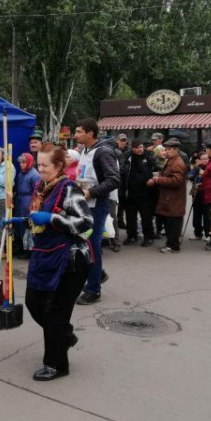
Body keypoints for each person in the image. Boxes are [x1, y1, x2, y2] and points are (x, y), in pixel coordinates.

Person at [6, 143, 93, 381]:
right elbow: (38, 220)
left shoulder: (69, 189)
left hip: (71, 259)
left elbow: (86, 222)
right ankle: (63, 336)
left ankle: (56, 364)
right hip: (44, 253)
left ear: (58, 166)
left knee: (55, 312)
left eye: (45, 165)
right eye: (39, 163)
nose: (40, 168)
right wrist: (22, 221)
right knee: (34, 303)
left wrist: (54, 218)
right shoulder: (40, 187)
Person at [73, 118, 120, 305]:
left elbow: (114, 180)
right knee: (85, 243)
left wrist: (91, 192)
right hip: (85, 205)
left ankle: (93, 290)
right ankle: (98, 274)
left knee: (92, 246)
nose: (75, 135)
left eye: (78, 131)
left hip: (97, 205)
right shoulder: (85, 150)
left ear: (90, 133)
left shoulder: (103, 152)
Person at [147, 138, 187, 253]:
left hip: (174, 199)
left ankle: (173, 246)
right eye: (165, 149)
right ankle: (171, 244)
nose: (166, 152)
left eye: (168, 150)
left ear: (175, 150)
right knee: (169, 223)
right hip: (169, 198)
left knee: (173, 224)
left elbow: (176, 181)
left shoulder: (178, 163)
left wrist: (159, 179)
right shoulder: (171, 160)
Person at [120, 140, 156, 247]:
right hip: (130, 192)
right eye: (136, 147)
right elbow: (121, 170)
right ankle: (131, 236)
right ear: (131, 148)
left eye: (140, 146)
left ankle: (148, 237)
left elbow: (157, 169)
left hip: (146, 192)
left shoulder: (150, 156)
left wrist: (154, 179)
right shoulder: (126, 156)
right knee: (130, 217)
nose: (139, 149)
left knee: (146, 217)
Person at [13, 153, 41, 257]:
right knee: (20, 224)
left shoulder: (34, 175)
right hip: (20, 200)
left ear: (29, 162)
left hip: (28, 201)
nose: (21, 165)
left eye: (24, 162)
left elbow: (37, 192)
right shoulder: (21, 174)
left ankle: (29, 250)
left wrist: (33, 205)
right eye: (20, 162)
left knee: (28, 225)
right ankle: (21, 247)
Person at [187, 153, 211, 242]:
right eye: (203, 159)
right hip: (196, 194)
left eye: (207, 158)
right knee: (196, 216)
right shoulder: (197, 168)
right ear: (199, 160)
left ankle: (208, 234)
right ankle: (197, 233)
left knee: (207, 216)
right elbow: (189, 176)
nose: (205, 160)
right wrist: (196, 174)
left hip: (207, 195)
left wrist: (204, 176)